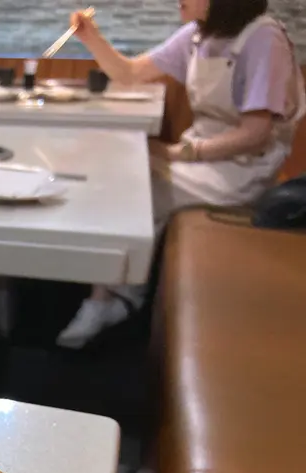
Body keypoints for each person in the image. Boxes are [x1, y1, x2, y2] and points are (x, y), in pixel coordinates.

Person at [56, 0, 305, 349]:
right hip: (200, 158)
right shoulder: (197, 35)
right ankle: (112, 293)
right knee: (119, 174)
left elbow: (255, 135)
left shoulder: (264, 38)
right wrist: (91, 38)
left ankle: (112, 299)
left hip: (242, 170)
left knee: (137, 187)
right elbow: (130, 73)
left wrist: (180, 152)